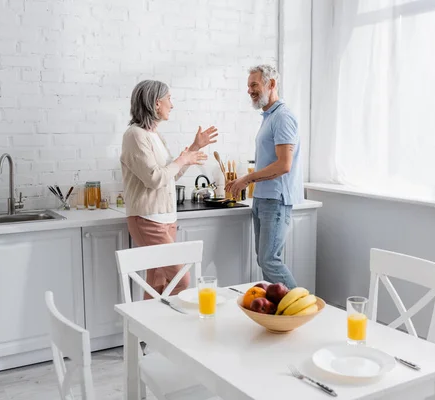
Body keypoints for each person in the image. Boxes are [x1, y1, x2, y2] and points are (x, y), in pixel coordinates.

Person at [120, 80, 218, 298]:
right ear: (156, 104)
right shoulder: (135, 135)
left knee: (157, 281)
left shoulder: (156, 136)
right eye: (169, 99)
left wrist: (193, 149)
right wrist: (183, 158)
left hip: (166, 219)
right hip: (148, 219)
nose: (171, 105)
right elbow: (154, 179)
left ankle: (150, 328)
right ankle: (170, 325)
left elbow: (169, 176)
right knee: (181, 279)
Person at [225, 65, 303, 289]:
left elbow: (283, 164)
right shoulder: (269, 117)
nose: (249, 90)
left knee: (270, 260)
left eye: (254, 85)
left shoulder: (283, 117)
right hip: (263, 198)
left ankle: (303, 306)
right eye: (248, 86)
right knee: (264, 259)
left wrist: (246, 180)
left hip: (276, 199)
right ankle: (279, 312)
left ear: (271, 84)